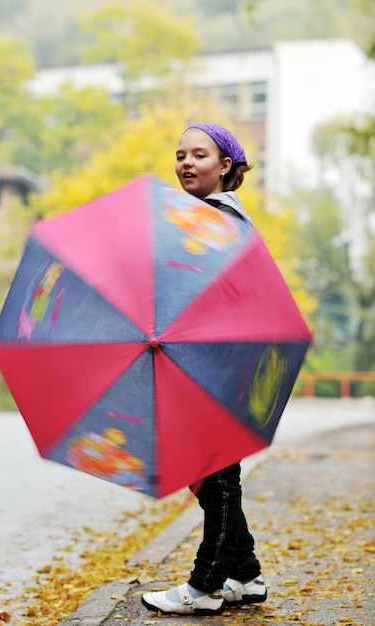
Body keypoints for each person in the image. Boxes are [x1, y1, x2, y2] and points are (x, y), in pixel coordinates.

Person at [141, 122, 267, 616]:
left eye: (199, 154)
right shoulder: (203, 217)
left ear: (225, 167)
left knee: (214, 477)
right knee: (211, 473)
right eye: (180, 155)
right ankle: (246, 574)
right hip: (209, 363)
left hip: (211, 364)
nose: (187, 163)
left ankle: (206, 586)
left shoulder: (215, 219)